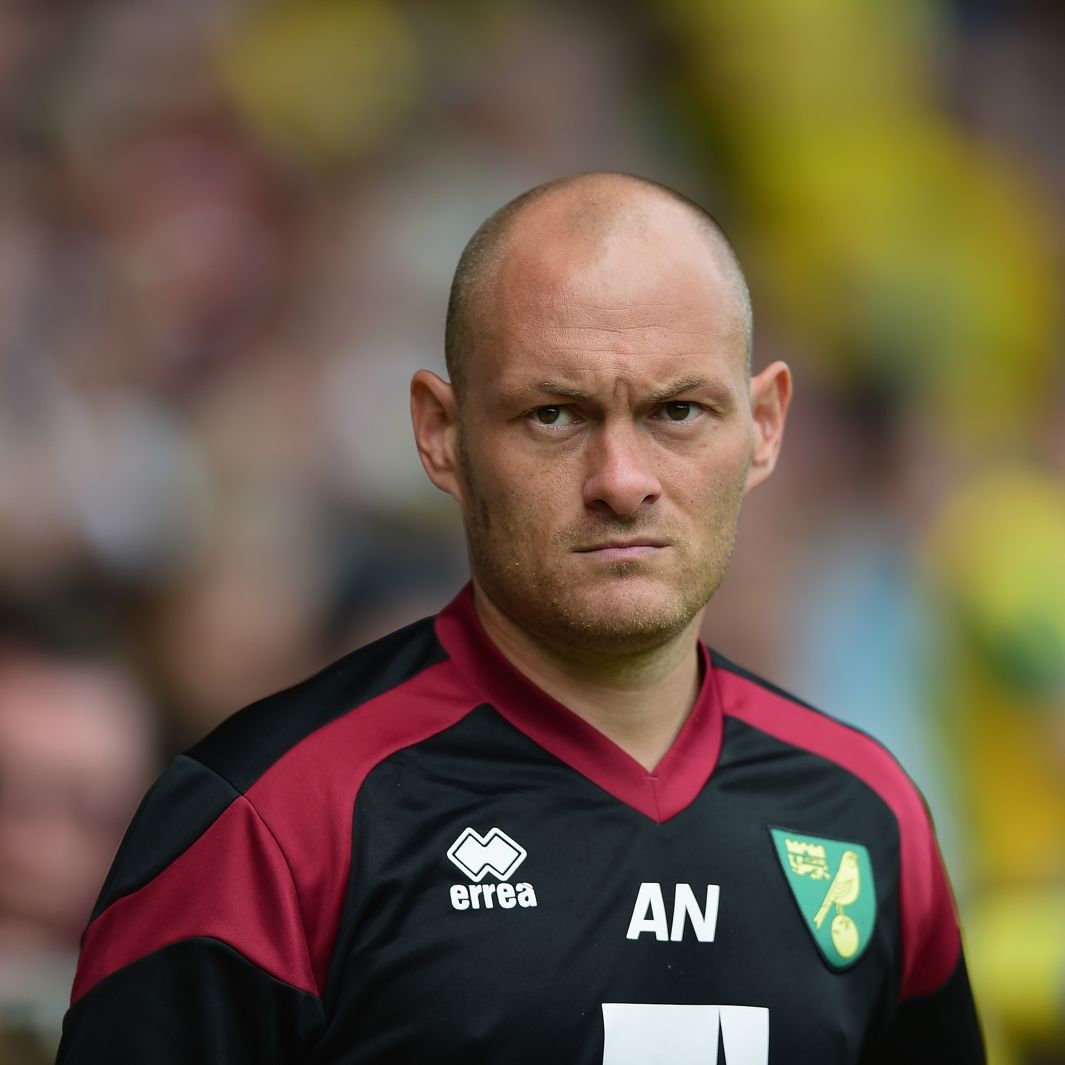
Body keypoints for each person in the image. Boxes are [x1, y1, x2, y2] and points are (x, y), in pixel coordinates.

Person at [57, 173, 984, 1064]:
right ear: (441, 433)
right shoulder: (270, 818)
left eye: (677, 410)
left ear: (764, 425)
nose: (622, 480)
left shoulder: (867, 814)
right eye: (553, 415)